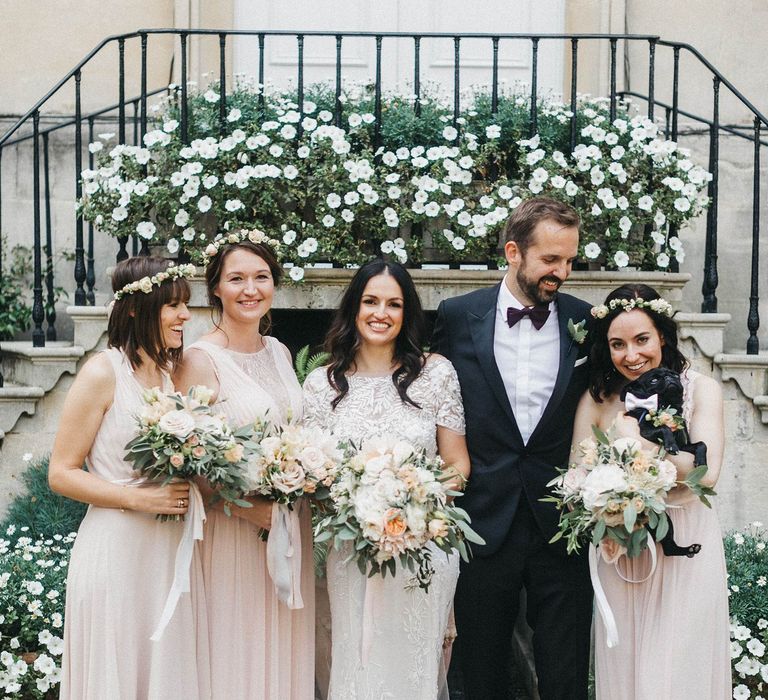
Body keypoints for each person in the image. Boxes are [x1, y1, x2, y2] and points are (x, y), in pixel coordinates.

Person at [432, 196, 594, 700]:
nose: (561, 272)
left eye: (569, 261)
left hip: (560, 522)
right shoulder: (458, 317)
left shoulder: (588, 321)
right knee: (480, 672)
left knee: (564, 673)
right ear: (513, 252)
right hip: (483, 519)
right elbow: (430, 399)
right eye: (550, 260)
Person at [303, 259, 470, 700]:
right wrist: (359, 504)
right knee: (357, 662)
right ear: (353, 308)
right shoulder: (322, 385)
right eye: (370, 301)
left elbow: (457, 465)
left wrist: (414, 504)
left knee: (414, 666)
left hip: (422, 547)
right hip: (350, 550)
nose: (381, 313)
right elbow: (315, 477)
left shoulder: (435, 374)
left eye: (393, 304)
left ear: (407, 312)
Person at [49, 257, 210, 699]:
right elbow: (61, 473)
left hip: (165, 554)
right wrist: (138, 500)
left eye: (185, 305)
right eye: (173, 305)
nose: (184, 316)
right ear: (138, 308)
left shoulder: (168, 377)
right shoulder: (104, 372)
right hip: (117, 550)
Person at [174, 229, 314, 699]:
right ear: (215, 286)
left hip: (290, 525)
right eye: (236, 278)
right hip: (233, 530)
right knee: (237, 652)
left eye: (261, 277)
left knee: (284, 648)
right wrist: (247, 508)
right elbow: (187, 459)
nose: (250, 289)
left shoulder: (279, 351)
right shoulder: (197, 358)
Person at [573, 283, 730, 699]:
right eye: (618, 344)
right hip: (621, 545)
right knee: (626, 664)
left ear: (661, 335)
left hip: (686, 541)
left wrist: (639, 445)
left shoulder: (702, 390)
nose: (631, 355)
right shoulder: (599, 399)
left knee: (679, 666)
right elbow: (575, 475)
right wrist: (606, 499)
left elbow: (706, 474)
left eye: (642, 339)